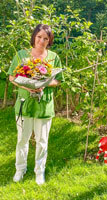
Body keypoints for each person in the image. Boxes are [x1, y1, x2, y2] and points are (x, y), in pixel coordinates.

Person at [8, 24, 64, 185]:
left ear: (49, 41)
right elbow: (12, 77)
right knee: (22, 140)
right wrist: (26, 85)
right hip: (24, 104)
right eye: (39, 37)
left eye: (45, 38)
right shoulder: (22, 56)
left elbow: (58, 80)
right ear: (34, 37)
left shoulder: (53, 57)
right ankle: (20, 169)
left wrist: (44, 84)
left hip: (43, 105)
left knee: (42, 141)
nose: (41, 41)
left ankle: (39, 172)